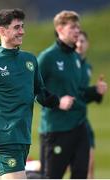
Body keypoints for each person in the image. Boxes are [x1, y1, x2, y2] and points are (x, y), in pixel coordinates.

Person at [0, 9, 74, 179]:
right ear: (2, 31)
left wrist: (56, 101)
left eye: (22, 26)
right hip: (4, 140)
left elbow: (41, 93)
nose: (22, 31)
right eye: (16, 27)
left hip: (23, 137)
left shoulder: (29, 60)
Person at [37, 10, 107, 179]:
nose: (77, 31)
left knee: (81, 175)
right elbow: (35, 90)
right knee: (52, 177)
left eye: (78, 27)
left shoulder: (76, 58)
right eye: (73, 27)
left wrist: (95, 91)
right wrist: (57, 102)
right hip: (57, 128)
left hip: (79, 125)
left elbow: (78, 93)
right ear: (60, 29)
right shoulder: (47, 57)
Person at [76, 30, 104, 179]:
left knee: (89, 165)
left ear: (88, 44)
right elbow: (74, 94)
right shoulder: (68, 64)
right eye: (77, 41)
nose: (79, 44)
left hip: (83, 119)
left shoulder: (87, 67)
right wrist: (93, 90)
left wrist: (97, 92)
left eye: (82, 41)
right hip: (66, 121)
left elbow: (83, 96)